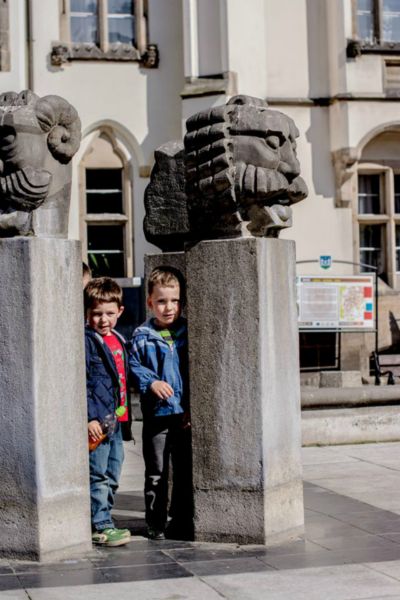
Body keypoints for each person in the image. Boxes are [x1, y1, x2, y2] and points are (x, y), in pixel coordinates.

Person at [129, 266, 193, 540]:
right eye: (162, 301)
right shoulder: (142, 336)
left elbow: (194, 373)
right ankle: (155, 520)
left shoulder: (187, 332)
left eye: (175, 301)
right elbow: (133, 365)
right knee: (156, 471)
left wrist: (191, 406)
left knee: (182, 470)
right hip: (156, 415)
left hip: (181, 415)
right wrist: (151, 382)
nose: (169, 308)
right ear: (150, 303)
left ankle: (180, 518)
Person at [85, 277, 133, 547]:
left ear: (120, 312)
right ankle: (100, 524)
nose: (103, 320)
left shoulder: (118, 338)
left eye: (109, 314)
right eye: (96, 314)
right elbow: (83, 381)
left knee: (113, 473)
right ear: (87, 314)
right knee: (98, 473)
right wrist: (89, 417)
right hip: (99, 423)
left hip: (118, 421)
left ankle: (103, 515)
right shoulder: (87, 341)